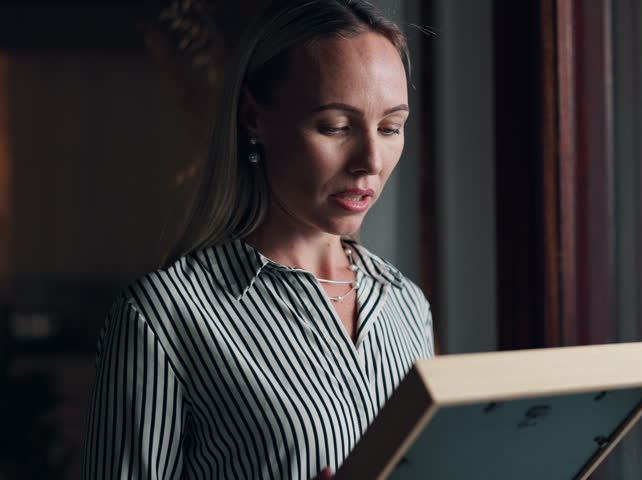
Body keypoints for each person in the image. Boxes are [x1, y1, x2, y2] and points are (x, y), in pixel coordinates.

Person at [82, 1, 434, 478]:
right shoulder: (162, 318)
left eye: (390, 127)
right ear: (253, 118)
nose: (370, 160)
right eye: (334, 126)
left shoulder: (407, 306)